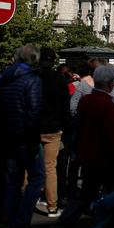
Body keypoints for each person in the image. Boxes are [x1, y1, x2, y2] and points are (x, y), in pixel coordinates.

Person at [56, 64, 114, 228]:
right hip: (104, 158)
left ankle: (61, 227)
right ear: (110, 84)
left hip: (87, 153)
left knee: (86, 194)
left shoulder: (86, 100)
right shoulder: (108, 106)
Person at [0, 45, 45, 228]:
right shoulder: (32, 79)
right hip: (25, 135)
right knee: (37, 177)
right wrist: (33, 137)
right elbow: (35, 109)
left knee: (12, 178)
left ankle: (7, 216)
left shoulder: (4, 78)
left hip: (7, 134)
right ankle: (22, 219)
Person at [35, 46, 70, 218]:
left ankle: (27, 199)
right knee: (50, 168)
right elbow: (65, 108)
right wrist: (64, 127)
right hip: (53, 129)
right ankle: (52, 206)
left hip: (33, 127)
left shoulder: (33, 77)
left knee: (29, 165)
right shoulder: (60, 80)